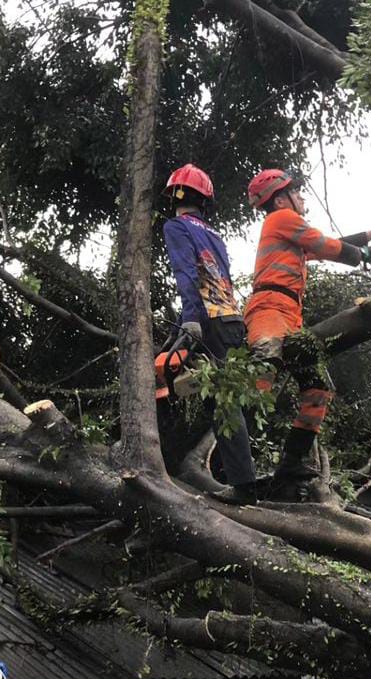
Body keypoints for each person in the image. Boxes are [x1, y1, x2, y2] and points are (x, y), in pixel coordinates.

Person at [244, 168, 371, 484]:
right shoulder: (282, 219)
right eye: (296, 192)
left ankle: (290, 464)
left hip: (290, 316)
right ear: (281, 199)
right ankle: (235, 464)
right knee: (261, 375)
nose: (302, 196)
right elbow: (329, 246)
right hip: (269, 308)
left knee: (318, 387)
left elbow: (328, 244)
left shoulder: (289, 230)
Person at [162, 164, 258, 503]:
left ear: (174, 194)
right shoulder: (214, 234)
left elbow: (186, 273)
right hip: (232, 320)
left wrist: (190, 320)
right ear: (205, 200)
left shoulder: (175, 227)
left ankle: (244, 487)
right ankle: (246, 481)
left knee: (220, 404)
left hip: (208, 320)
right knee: (227, 398)